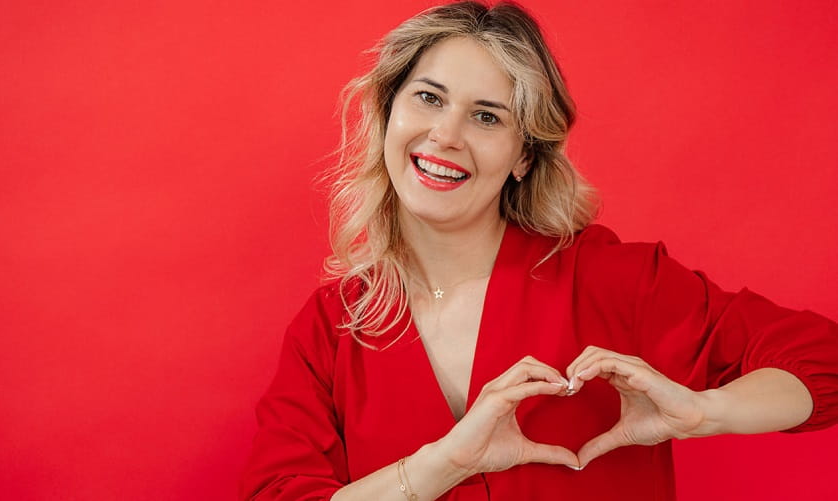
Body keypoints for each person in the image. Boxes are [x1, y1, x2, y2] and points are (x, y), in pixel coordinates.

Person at [240, 2, 838, 500]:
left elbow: (822, 361)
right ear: (387, 111)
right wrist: (446, 462)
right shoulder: (332, 328)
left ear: (523, 156)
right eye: (428, 98)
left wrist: (705, 412)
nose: (446, 135)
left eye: (486, 116)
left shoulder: (612, 279)